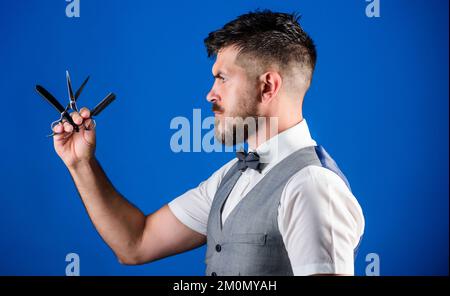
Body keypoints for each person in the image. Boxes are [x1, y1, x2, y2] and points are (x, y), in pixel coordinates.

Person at [51, 10, 364, 276]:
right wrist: (81, 163)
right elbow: (136, 243)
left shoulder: (311, 186)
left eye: (223, 78)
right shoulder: (232, 176)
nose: (210, 94)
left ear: (267, 86)